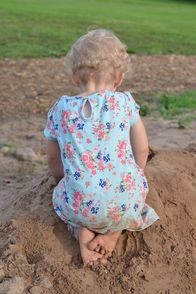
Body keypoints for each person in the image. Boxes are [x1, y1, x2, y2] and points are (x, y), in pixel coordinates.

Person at [44, 29, 159, 266]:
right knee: (129, 201)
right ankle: (112, 234)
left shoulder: (61, 109)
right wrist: (135, 174)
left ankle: (84, 237)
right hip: (125, 201)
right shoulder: (125, 102)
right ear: (119, 79)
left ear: (75, 77)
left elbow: (54, 160)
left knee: (72, 203)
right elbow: (142, 149)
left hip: (81, 203)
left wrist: (62, 183)